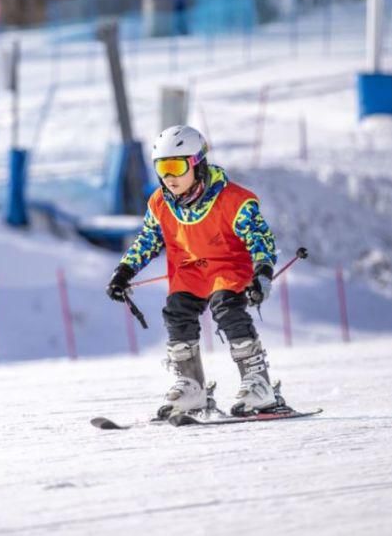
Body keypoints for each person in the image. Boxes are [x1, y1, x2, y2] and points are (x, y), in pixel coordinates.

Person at [105, 125, 281, 419]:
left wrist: (262, 272)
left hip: (229, 267)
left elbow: (261, 239)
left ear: (197, 164)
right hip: (190, 272)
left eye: (176, 166)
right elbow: (148, 240)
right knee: (176, 312)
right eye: (162, 168)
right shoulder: (160, 203)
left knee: (227, 309)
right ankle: (191, 387)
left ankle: (258, 384)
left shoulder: (234, 201)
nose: (169, 177)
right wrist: (124, 272)